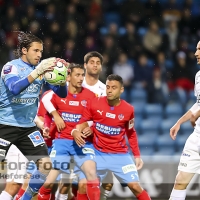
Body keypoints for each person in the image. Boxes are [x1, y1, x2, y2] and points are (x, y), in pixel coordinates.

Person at [0, 31, 68, 200]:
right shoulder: (11, 67)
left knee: (45, 166)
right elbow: (14, 88)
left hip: (27, 128)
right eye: (36, 51)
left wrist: (61, 76)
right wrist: (38, 71)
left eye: (41, 52)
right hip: (4, 125)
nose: (39, 55)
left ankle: (25, 199)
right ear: (24, 50)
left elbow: (62, 94)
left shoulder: (41, 70)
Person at [72, 74, 151, 200]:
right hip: (98, 153)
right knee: (85, 184)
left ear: (121, 90)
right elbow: (82, 122)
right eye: (108, 87)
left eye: (113, 87)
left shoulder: (128, 109)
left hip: (120, 154)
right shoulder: (94, 103)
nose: (109, 90)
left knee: (135, 186)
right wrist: (76, 131)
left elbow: (130, 133)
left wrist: (136, 155)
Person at [40, 63, 100, 200]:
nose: (80, 78)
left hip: (83, 143)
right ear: (68, 77)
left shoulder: (91, 96)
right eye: (77, 75)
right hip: (61, 143)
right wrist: (51, 121)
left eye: (82, 75)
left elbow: (98, 119)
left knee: (90, 179)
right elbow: (46, 108)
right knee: (49, 183)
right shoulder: (57, 95)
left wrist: (90, 129)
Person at [169, 41, 200, 200]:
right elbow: (198, 102)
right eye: (196, 49)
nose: (196, 53)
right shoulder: (198, 75)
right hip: (197, 136)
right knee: (180, 181)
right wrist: (179, 122)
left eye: (199, 49)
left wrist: (197, 115)